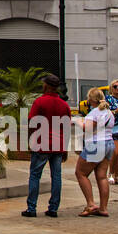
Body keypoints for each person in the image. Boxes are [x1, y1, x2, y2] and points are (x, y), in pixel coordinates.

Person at [22, 73, 71, 218]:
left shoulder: (40, 102)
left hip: (41, 143)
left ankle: (31, 208)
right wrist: (65, 148)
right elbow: (67, 127)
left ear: (47, 86)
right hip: (58, 143)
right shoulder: (64, 104)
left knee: (35, 175)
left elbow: (32, 122)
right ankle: (53, 208)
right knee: (56, 176)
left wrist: (30, 141)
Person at [75, 86, 115, 216]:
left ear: (91, 100)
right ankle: (103, 207)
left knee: (81, 173)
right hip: (109, 144)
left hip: (96, 144)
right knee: (102, 176)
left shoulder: (94, 113)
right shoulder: (109, 112)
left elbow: (88, 128)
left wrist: (78, 121)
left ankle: (90, 204)